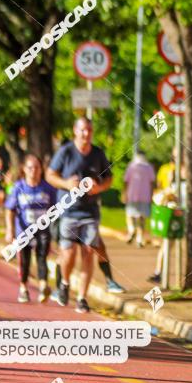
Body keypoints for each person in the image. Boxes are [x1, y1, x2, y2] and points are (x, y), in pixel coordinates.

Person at [46, 118, 113, 313]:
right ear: (75, 131)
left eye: (89, 130)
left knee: (88, 253)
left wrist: (99, 187)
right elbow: (50, 175)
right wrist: (67, 184)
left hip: (90, 211)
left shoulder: (98, 153)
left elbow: (109, 178)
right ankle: (65, 283)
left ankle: (82, 298)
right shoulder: (66, 152)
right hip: (68, 210)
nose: (86, 134)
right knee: (68, 253)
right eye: (83, 130)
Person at [5, 155, 56, 303]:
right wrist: (10, 230)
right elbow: (10, 210)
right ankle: (23, 288)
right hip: (23, 230)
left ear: (41, 169)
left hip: (42, 231)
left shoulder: (48, 189)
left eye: (36, 167)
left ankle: (43, 287)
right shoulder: (18, 187)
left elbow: (54, 209)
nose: (33, 171)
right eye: (30, 167)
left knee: (42, 258)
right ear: (24, 169)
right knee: (24, 261)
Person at [123, 152, 155, 247]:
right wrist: (152, 194)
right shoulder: (148, 167)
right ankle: (139, 239)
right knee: (142, 217)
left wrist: (124, 193)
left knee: (130, 215)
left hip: (132, 194)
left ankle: (132, 229)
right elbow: (152, 182)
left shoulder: (131, 166)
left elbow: (126, 181)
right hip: (145, 195)